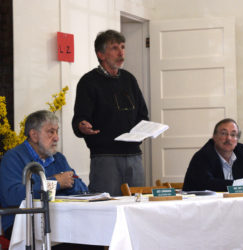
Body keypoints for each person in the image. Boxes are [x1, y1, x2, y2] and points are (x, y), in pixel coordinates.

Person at [72, 29, 149, 196]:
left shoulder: (129, 79)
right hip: (105, 157)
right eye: (115, 48)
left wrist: (146, 129)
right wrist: (82, 125)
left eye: (122, 47)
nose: (121, 52)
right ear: (101, 54)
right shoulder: (88, 81)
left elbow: (143, 114)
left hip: (134, 155)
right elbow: (80, 118)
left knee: (137, 204)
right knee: (106, 207)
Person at [0, 110, 88, 241]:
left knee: (91, 234)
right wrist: (56, 183)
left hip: (59, 220)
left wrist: (69, 183)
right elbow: (13, 197)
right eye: (51, 132)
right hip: (22, 224)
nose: (57, 137)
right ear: (34, 135)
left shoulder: (59, 158)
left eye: (57, 131)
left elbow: (83, 190)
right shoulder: (13, 158)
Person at [183, 118, 243, 192]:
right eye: (223, 133)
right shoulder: (203, 156)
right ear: (214, 137)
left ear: (237, 140)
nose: (228, 138)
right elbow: (207, 184)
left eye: (233, 135)